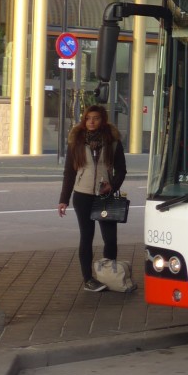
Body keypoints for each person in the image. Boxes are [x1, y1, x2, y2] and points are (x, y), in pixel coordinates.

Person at [58, 105, 127, 292]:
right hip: (83, 195)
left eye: (96, 118)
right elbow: (69, 172)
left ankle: (109, 275)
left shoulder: (113, 141)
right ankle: (88, 279)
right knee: (86, 237)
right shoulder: (76, 141)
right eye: (88, 118)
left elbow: (121, 170)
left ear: (102, 120)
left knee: (110, 239)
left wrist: (112, 185)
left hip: (105, 195)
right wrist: (64, 199)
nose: (91, 122)